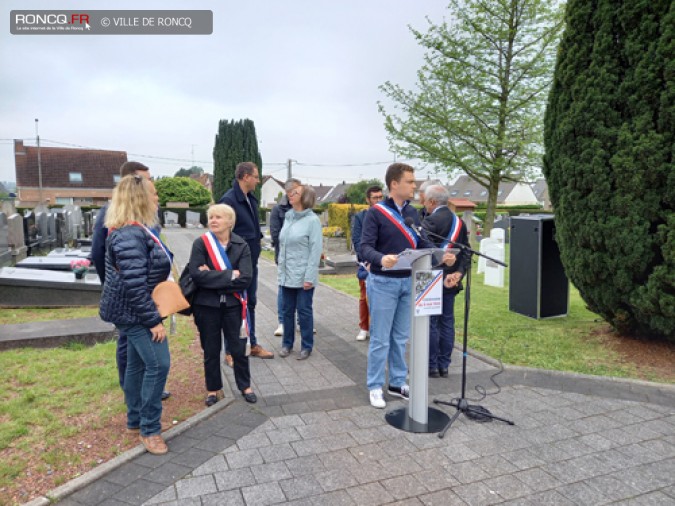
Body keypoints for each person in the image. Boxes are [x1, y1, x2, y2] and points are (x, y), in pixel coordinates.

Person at [360, 163, 456, 409]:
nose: (415, 186)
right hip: (383, 282)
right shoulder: (376, 212)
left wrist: (440, 256)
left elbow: (422, 243)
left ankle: (396, 382)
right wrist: (381, 258)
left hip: (408, 281)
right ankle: (374, 385)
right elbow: (364, 248)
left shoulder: (412, 213)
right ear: (395, 184)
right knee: (381, 338)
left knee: (401, 337)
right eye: (410, 182)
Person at [99, 175, 172, 455]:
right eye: (153, 194)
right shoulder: (130, 234)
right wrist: (152, 320)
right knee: (159, 364)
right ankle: (150, 429)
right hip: (136, 313)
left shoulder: (131, 229)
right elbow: (134, 285)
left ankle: (134, 421)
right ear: (140, 198)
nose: (157, 199)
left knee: (137, 365)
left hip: (129, 310)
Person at [91, 161, 171, 401]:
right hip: (133, 303)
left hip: (141, 300)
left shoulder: (141, 223)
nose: (156, 196)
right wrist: (116, 286)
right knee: (136, 354)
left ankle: (136, 403)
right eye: (151, 189)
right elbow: (101, 254)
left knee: (139, 359)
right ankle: (137, 404)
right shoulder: (124, 226)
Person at [188, 204, 258, 406]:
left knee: (238, 348)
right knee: (210, 350)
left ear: (230, 222)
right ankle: (213, 389)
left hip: (233, 307)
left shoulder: (241, 245)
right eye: (210, 217)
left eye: (218, 217)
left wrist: (212, 276)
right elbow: (196, 275)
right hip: (206, 306)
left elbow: (246, 278)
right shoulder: (201, 243)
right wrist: (230, 275)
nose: (213, 221)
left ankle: (245, 386)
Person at [218, 162, 274, 360]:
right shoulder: (229, 200)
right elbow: (222, 235)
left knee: (250, 302)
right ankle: (231, 351)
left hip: (251, 263)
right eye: (256, 177)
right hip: (235, 265)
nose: (258, 181)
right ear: (245, 177)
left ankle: (252, 343)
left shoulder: (250, 198)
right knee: (232, 305)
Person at [421, 185, 469, 378]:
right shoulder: (460, 222)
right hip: (451, 280)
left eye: (425, 200)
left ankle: (431, 366)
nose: (423, 204)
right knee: (447, 321)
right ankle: (444, 365)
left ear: (432, 202)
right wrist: (458, 273)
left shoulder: (429, 221)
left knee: (432, 322)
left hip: (431, 278)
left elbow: (425, 251)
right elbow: (465, 251)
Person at [277, 186, 322, 360]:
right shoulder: (288, 217)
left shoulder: (312, 221)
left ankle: (306, 346)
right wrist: (281, 272)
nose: (290, 194)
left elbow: (315, 250)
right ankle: (287, 344)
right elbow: (283, 246)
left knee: (304, 311)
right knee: (287, 310)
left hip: (304, 275)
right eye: (290, 192)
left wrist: (309, 277)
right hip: (287, 274)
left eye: (295, 193)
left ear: (304, 198)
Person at [350, 185, 383, 341]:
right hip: (367, 264)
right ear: (368, 200)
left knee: (383, 298)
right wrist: (366, 261)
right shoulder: (360, 217)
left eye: (380, 197)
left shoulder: (388, 215)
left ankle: (379, 328)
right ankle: (364, 327)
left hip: (384, 262)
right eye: (375, 197)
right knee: (365, 297)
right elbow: (357, 240)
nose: (378, 200)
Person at [269, 178, 302, 337]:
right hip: (284, 257)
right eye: (297, 190)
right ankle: (283, 322)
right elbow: (276, 235)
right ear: (290, 192)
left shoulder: (303, 208)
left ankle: (302, 321)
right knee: (284, 289)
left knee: (303, 289)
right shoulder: (278, 210)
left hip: (302, 257)